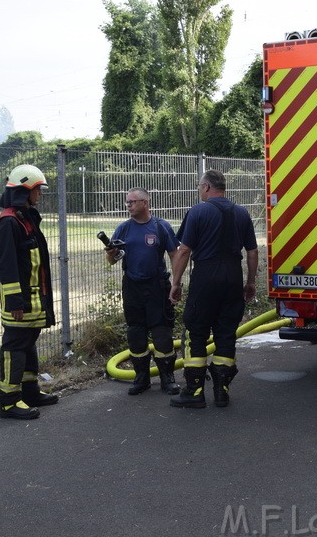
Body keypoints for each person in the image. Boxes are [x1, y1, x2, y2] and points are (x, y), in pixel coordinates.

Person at [169, 169, 258, 409]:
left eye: (200, 187)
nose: (199, 191)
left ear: (207, 187)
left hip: (206, 276)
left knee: (196, 331)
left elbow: (184, 251)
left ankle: (194, 391)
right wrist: (250, 282)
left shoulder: (198, 212)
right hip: (232, 276)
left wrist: (175, 283)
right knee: (226, 333)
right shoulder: (241, 213)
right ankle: (222, 391)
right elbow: (252, 251)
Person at [0, 164, 59, 420]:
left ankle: (30, 392)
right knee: (15, 346)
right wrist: (15, 302)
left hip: (34, 299)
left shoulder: (26, 217)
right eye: (37, 190)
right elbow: (7, 266)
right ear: (25, 190)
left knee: (28, 343)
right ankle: (9, 402)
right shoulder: (10, 222)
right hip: (21, 302)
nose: (40, 195)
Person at [105, 188, 181, 396]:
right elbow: (112, 260)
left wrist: (176, 282)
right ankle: (141, 378)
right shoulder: (123, 229)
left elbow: (175, 254)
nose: (128, 205)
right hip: (132, 287)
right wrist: (111, 254)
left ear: (145, 203)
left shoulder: (160, 227)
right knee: (136, 332)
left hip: (157, 286)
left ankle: (168, 378)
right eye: (127, 202)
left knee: (162, 332)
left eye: (132, 202)